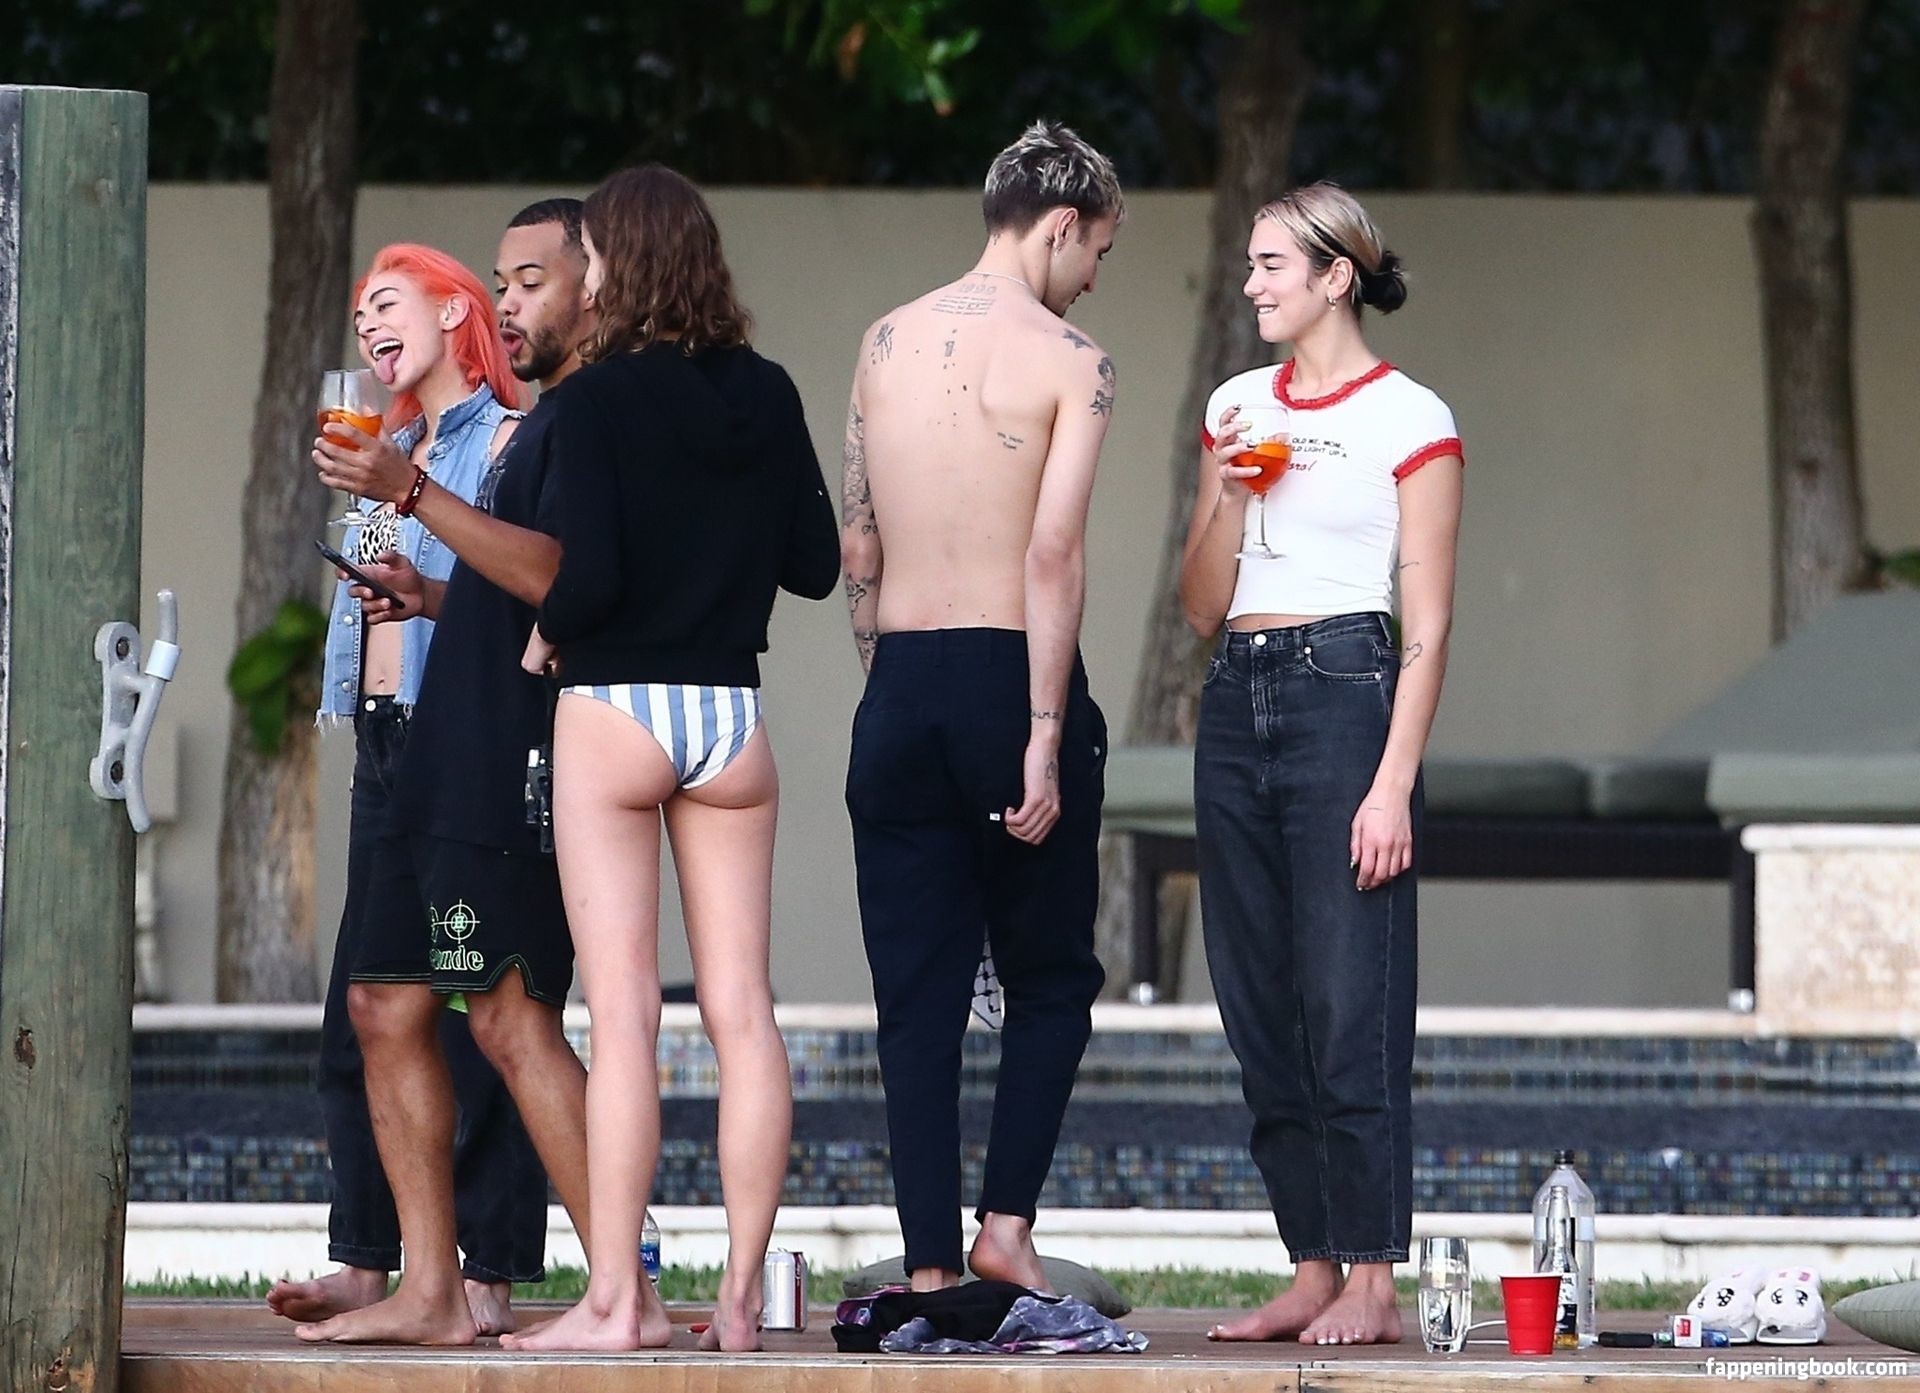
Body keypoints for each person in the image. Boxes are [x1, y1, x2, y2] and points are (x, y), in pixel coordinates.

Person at [506, 164, 838, 1353]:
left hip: (616, 708)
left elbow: (588, 576)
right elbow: (814, 565)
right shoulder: (768, 390)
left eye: (591, 253)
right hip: (731, 717)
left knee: (626, 1015)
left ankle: (613, 1304)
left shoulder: (593, 402)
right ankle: (741, 1300)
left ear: (616, 265)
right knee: (744, 1011)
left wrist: (549, 631)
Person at [295, 210, 600, 1346]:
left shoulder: (507, 440)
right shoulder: (393, 445)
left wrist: (414, 528)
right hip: (386, 745)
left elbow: (538, 583)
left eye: (389, 302)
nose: (369, 324)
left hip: (467, 741)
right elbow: (441, 592)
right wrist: (402, 594)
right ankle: (406, 1276)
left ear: (455, 312)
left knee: (501, 1014)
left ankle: (552, 1276)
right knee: (375, 1007)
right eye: (358, 313)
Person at [1177, 183, 1464, 1346]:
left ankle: (1375, 1278)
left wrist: (1392, 783)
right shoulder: (1236, 406)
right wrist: (1229, 498)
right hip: (1235, 692)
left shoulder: (1412, 415)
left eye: (1271, 266)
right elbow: (1201, 605)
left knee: (1352, 999)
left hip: (1349, 689)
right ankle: (1311, 1263)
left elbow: (1427, 622)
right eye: (1250, 264)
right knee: (1259, 1001)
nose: (1250, 284)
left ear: (1336, 276)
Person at [839, 119, 1122, 1295]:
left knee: (917, 998)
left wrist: (893, 689)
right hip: (1015, 682)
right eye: (1098, 249)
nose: (1093, 275)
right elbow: (1053, 552)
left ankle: (925, 1264)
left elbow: (859, 545)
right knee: (1050, 978)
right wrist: (1043, 733)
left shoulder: (884, 339)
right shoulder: (1074, 359)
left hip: (902, 685)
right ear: (1061, 225)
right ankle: (1004, 1229)